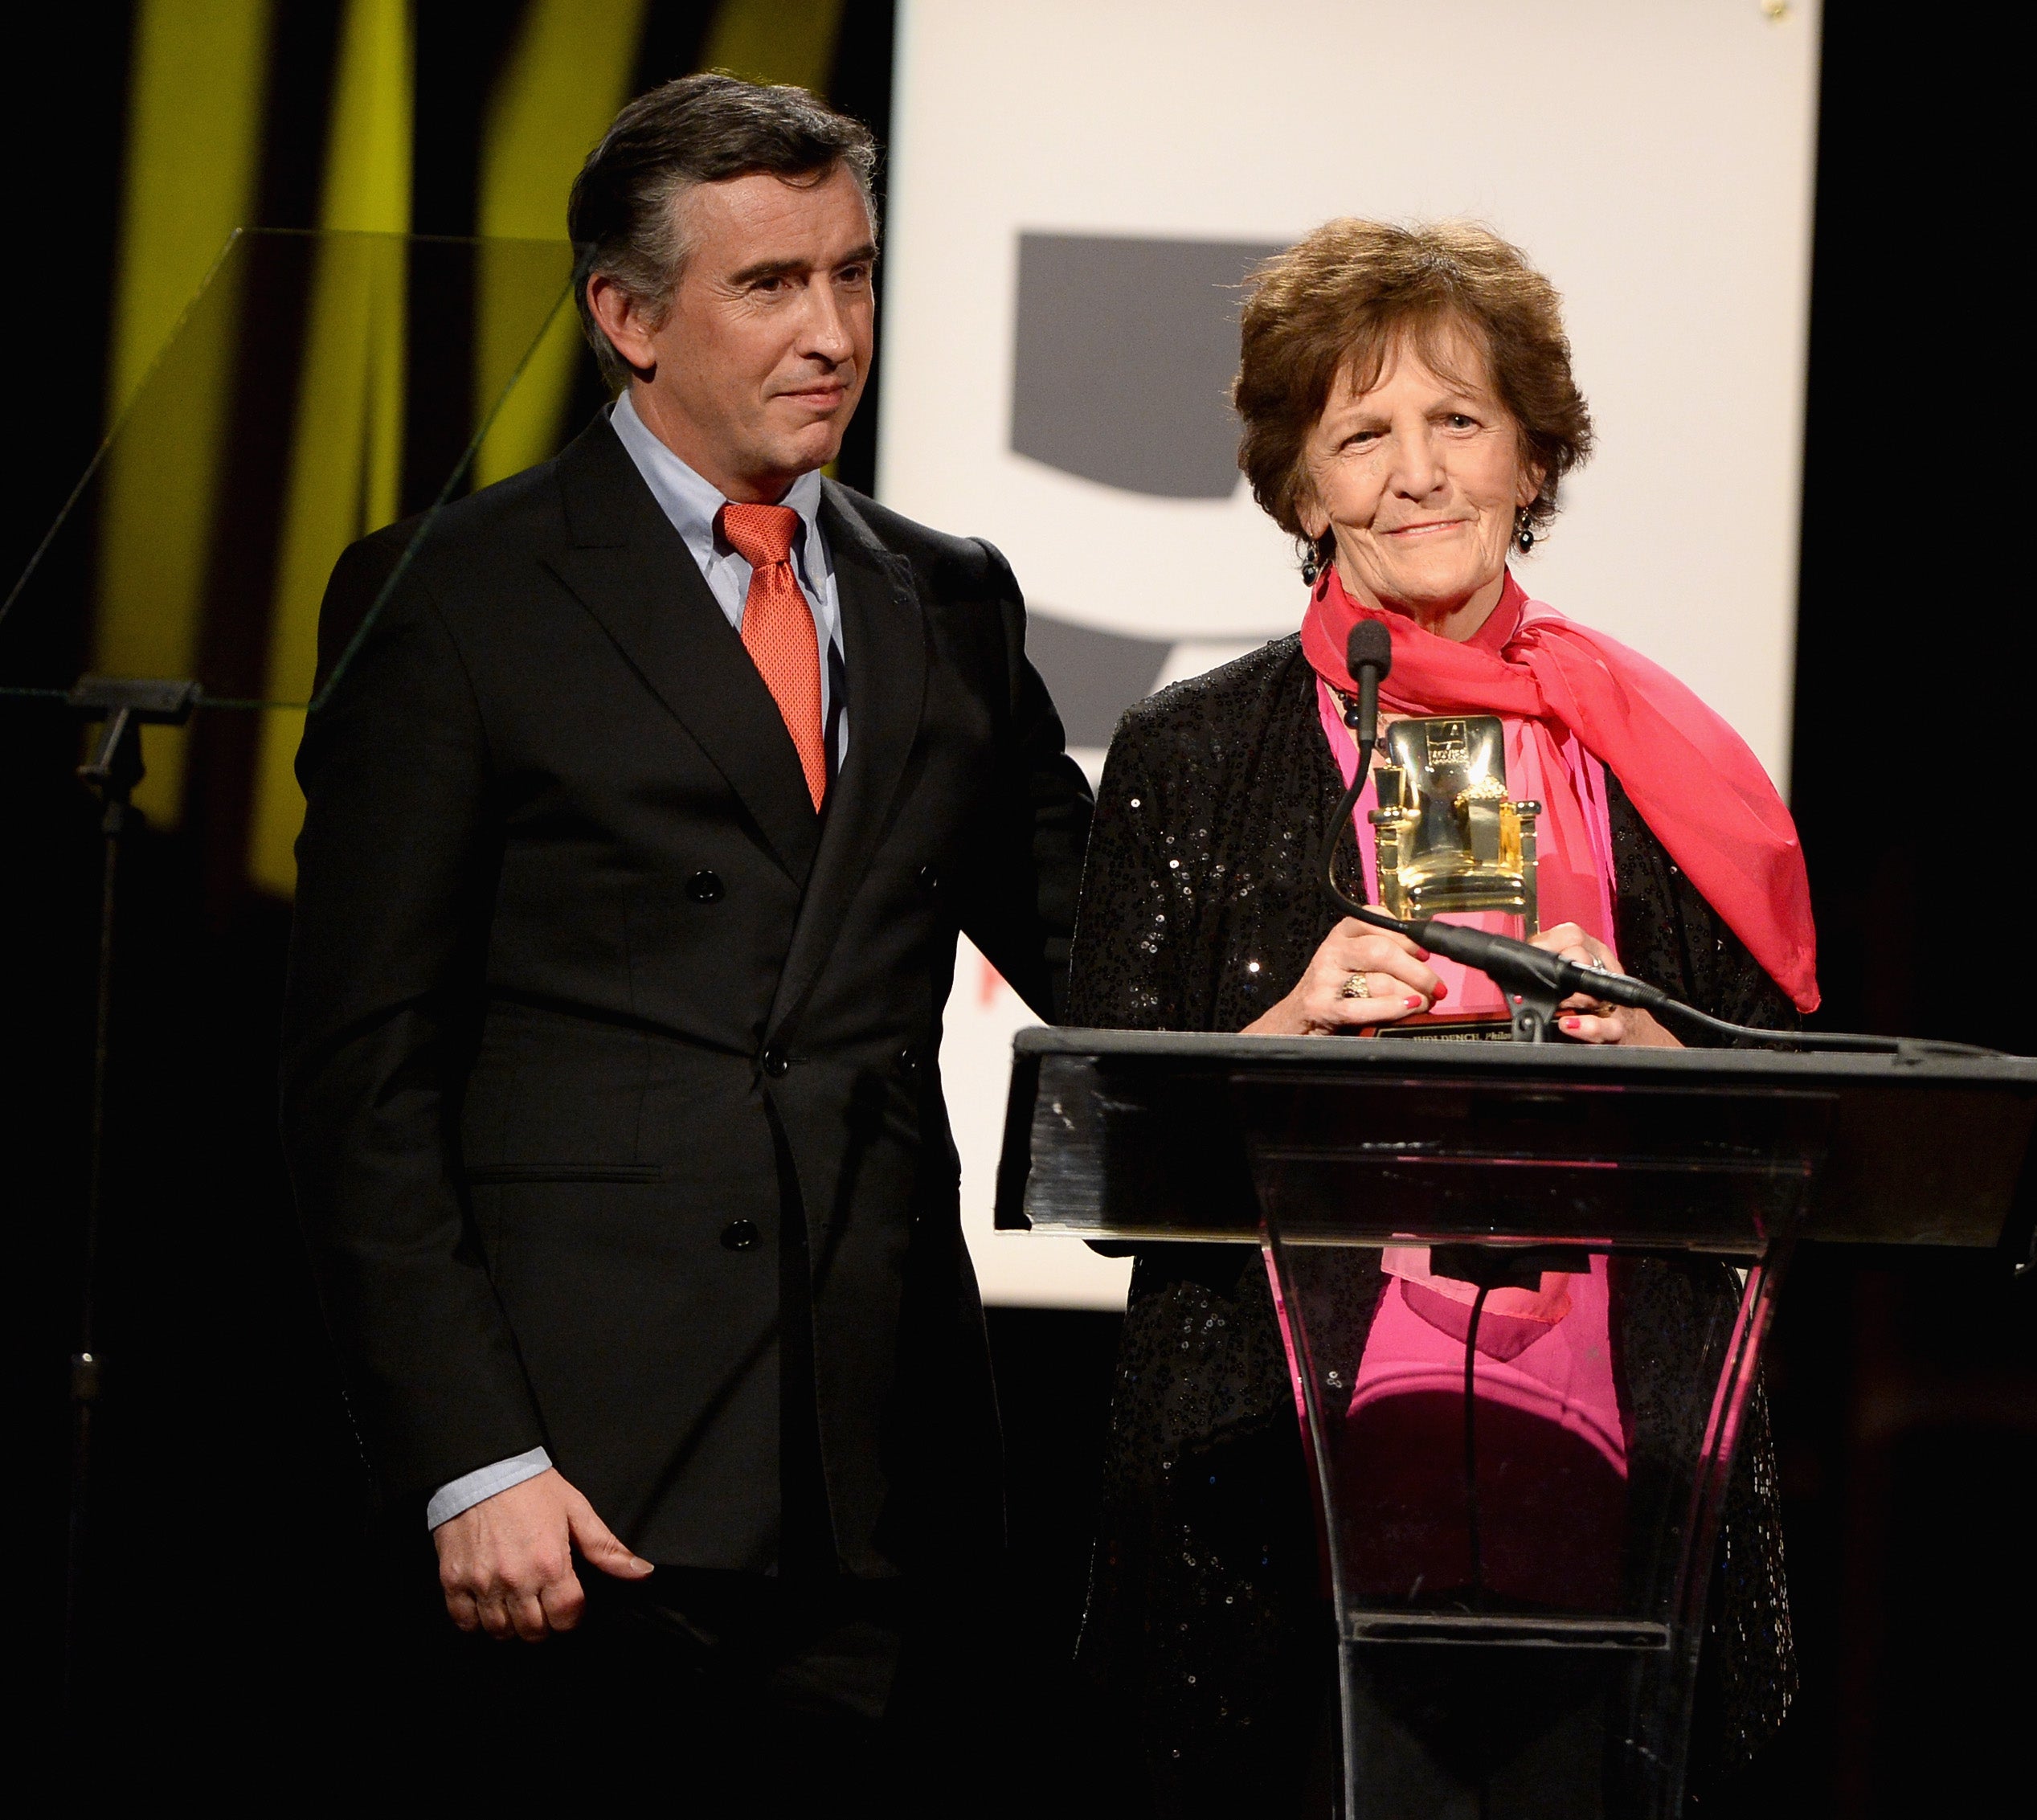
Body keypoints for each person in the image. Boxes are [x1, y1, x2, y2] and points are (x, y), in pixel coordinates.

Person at [280, 76, 1092, 1777]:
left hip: (880, 1476)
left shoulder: (947, 593)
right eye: (771, 283)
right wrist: (472, 1454)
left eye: (853, 275)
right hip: (578, 1487)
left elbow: (1096, 943)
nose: (831, 332)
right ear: (626, 315)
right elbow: (363, 1077)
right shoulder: (457, 594)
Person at [1068, 219, 1814, 1810]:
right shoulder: (1194, 753)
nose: (1417, 472)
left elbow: (1795, 1126)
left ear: (1533, 454)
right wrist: (1276, 1028)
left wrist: (1663, 1063)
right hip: (1285, 1494)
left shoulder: (1661, 753)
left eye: (1459, 420)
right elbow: (1094, 1146)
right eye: (1362, 433)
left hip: (1609, 1495)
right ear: (1299, 486)